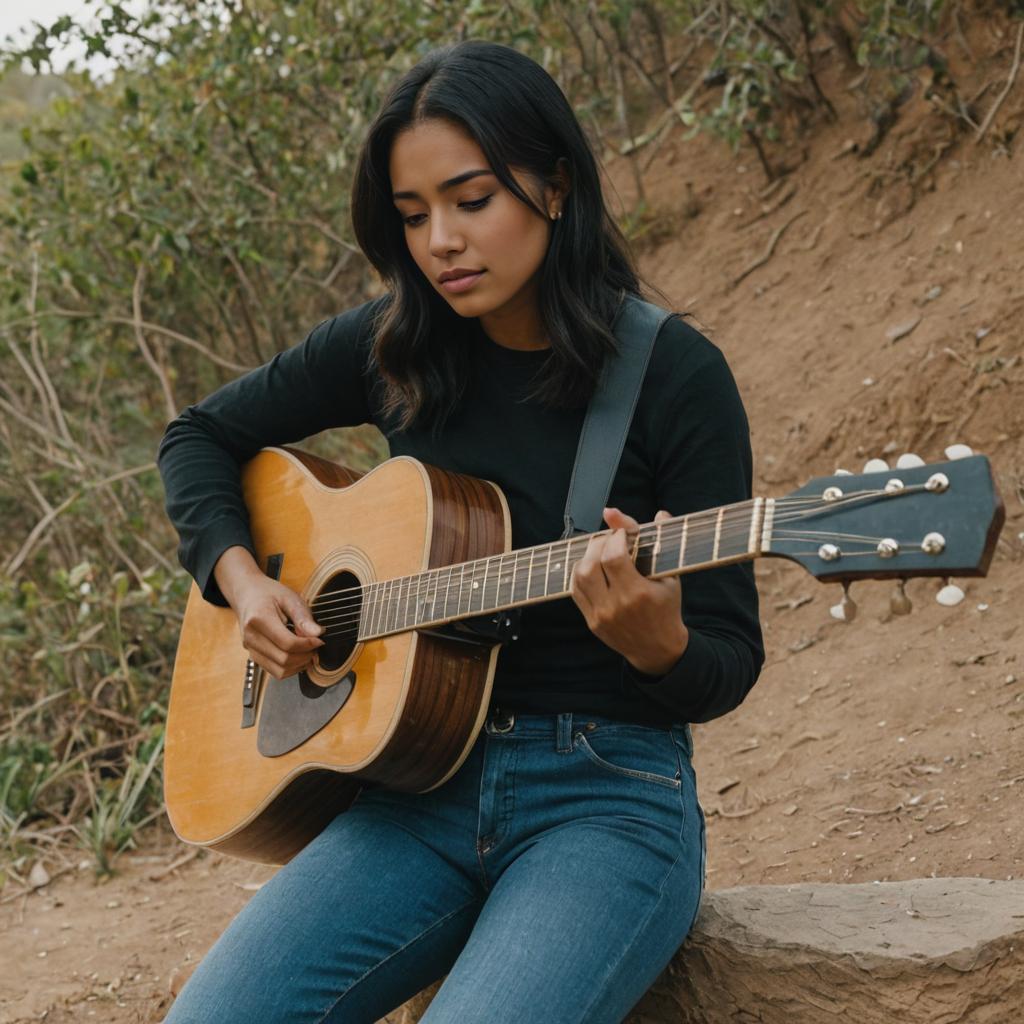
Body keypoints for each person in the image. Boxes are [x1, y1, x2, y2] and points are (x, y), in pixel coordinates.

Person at [158, 40, 763, 1024]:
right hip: (411, 796)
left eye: (470, 200)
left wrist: (660, 647)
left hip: (603, 802)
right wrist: (241, 577)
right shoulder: (391, 342)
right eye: (412, 215)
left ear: (555, 186)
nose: (440, 240)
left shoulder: (672, 374)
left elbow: (729, 660)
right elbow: (199, 436)